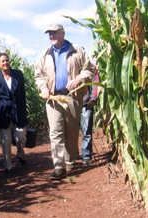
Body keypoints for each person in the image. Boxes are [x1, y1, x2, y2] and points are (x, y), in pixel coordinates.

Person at [34, 22, 95, 180]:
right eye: (49, 33)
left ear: (63, 33)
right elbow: (38, 75)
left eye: (54, 33)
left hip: (72, 97)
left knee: (72, 130)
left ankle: (70, 161)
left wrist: (79, 79)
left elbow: (89, 70)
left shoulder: (77, 50)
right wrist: (43, 88)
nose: (51, 36)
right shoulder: (45, 54)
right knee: (55, 132)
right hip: (53, 98)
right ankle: (59, 166)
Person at [0, 53, 28, 173]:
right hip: (3, 112)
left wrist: (24, 110)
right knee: (5, 140)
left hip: (18, 110)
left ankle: (20, 153)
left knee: (20, 137)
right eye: (2, 61)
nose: (5, 63)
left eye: (7, 60)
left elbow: (23, 94)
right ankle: (8, 166)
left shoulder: (18, 74)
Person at [80, 67, 100, 165]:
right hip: (71, 103)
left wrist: (93, 99)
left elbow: (96, 84)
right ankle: (73, 154)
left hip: (86, 104)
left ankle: (86, 155)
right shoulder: (68, 62)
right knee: (71, 131)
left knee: (86, 130)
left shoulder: (91, 67)